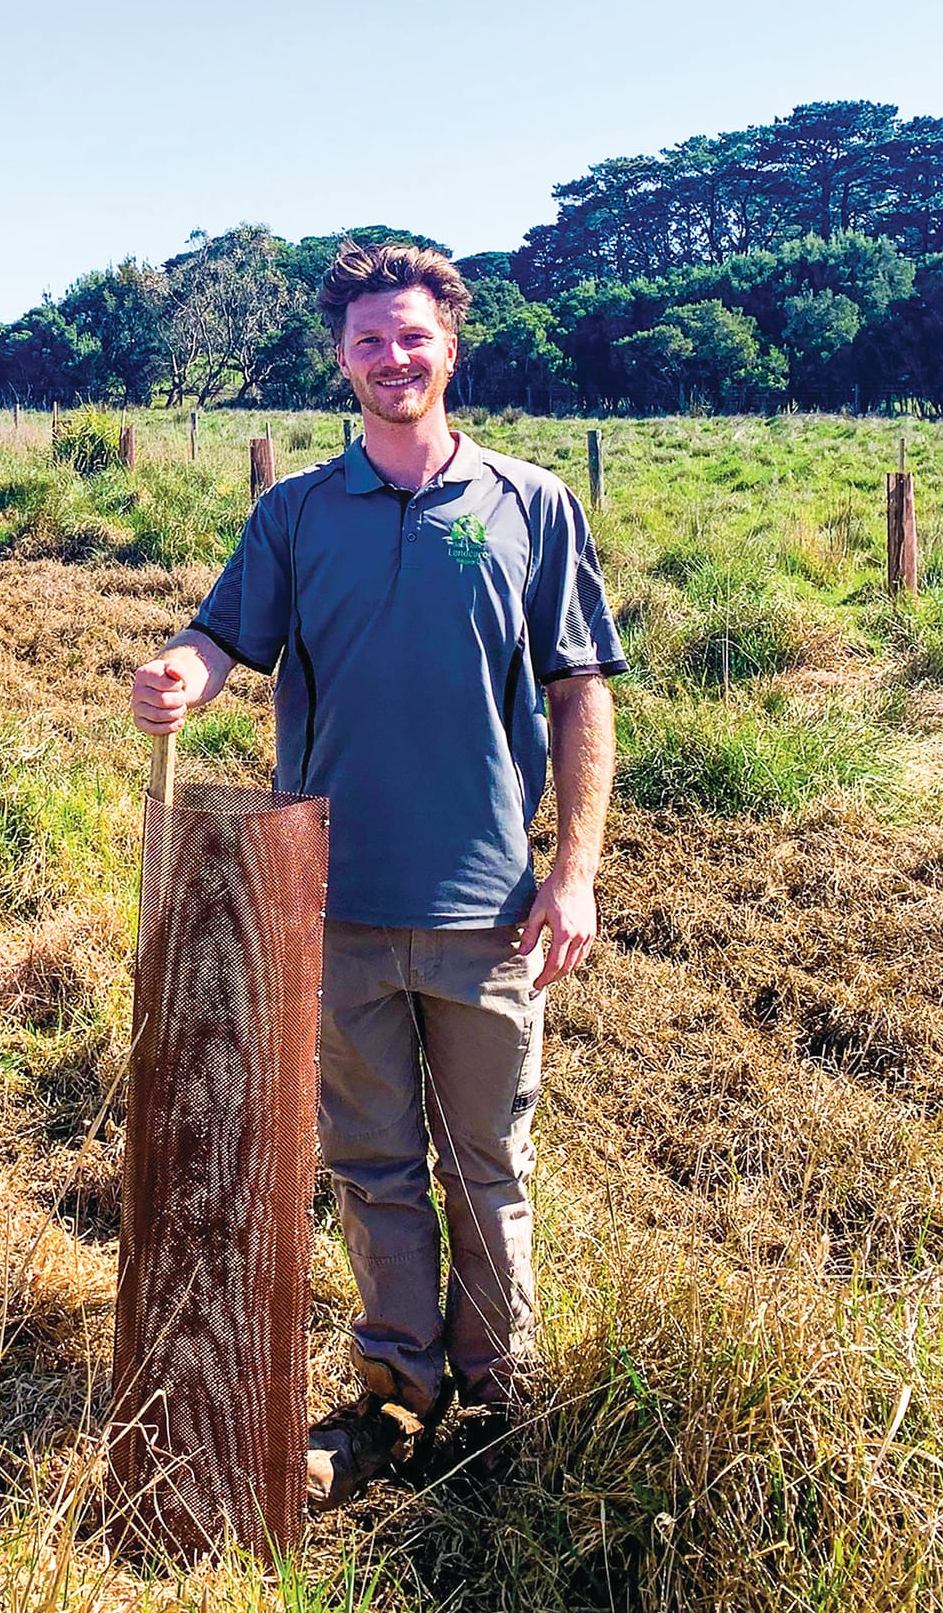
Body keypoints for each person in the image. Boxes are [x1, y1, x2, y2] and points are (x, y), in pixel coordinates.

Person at [130, 240, 624, 1507]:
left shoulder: (531, 505)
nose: (390, 358)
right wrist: (185, 671)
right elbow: (221, 632)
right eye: (366, 340)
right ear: (339, 358)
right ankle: (398, 1393)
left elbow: (578, 695)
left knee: (487, 1162)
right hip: (331, 904)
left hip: (487, 912)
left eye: (411, 336)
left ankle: (498, 1399)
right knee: (371, 1163)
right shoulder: (296, 510)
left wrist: (571, 873)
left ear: (450, 345)